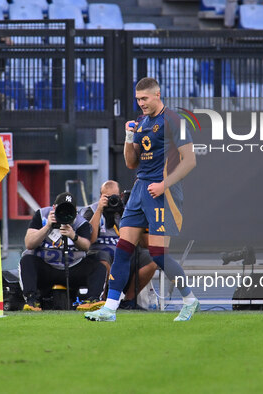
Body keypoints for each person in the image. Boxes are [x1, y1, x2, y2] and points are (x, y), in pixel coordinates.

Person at [85, 77, 198, 322]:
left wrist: (164, 184)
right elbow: (131, 162)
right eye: (138, 99)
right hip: (139, 189)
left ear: (157, 94)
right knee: (123, 249)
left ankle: (189, 300)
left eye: (144, 98)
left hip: (163, 191)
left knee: (158, 254)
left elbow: (190, 160)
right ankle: (110, 309)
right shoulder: (141, 122)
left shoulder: (174, 121)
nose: (141, 103)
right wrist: (128, 137)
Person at [19, 192, 107, 311]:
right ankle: (32, 300)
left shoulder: (81, 223)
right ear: (54, 208)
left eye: (69, 210)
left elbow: (86, 246)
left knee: (99, 266)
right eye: (61, 209)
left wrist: (73, 236)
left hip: (72, 267)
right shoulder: (42, 215)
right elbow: (29, 243)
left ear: (75, 211)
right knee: (27, 260)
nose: (65, 213)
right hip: (46, 267)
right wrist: (47, 227)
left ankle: (92, 299)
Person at [78, 180, 158, 311]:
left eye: (114, 197)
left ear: (120, 196)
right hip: (100, 255)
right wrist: (99, 210)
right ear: (100, 197)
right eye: (107, 197)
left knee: (151, 259)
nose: (111, 201)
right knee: (103, 258)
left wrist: (141, 216)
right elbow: (89, 240)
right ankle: (101, 301)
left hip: (125, 255)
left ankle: (129, 300)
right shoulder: (90, 210)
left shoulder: (129, 210)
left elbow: (145, 243)